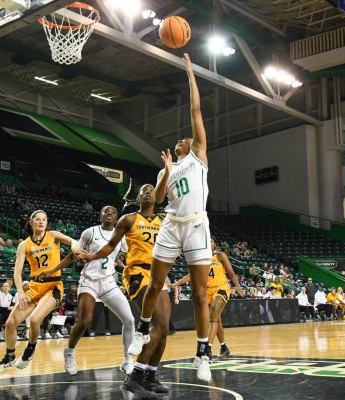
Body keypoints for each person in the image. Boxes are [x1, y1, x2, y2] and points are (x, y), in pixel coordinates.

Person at [135, 53, 212, 383]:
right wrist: (165, 172)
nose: (185, 137)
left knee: (199, 294)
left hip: (196, 224)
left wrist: (191, 74)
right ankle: (142, 326)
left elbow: (195, 110)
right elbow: (161, 197)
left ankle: (203, 353)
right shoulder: (167, 167)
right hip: (170, 225)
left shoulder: (199, 155)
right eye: (182, 138)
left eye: (188, 137)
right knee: (155, 284)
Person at [79, 184, 170, 396]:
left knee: (164, 329)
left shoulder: (164, 220)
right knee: (156, 325)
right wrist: (91, 256)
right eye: (143, 190)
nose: (147, 191)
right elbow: (111, 246)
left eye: (151, 190)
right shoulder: (128, 219)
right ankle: (135, 376)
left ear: (157, 197)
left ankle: (150, 375)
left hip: (159, 274)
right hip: (138, 272)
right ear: (137, 198)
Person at [39, 205, 137, 376]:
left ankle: (128, 360)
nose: (109, 213)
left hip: (108, 282)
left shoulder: (121, 238)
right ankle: (69, 353)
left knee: (129, 320)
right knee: (84, 321)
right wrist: (53, 270)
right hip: (89, 281)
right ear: (100, 215)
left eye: (113, 212)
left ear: (117, 219)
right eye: (105, 211)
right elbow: (73, 255)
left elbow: (125, 257)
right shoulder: (89, 233)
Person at [0, 210, 78, 373]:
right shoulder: (25, 245)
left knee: (36, 320)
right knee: (10, 323)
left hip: (53, 286)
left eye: (44, 219)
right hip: (34, 287)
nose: (41, 221)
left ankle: (30, 349)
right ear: (31, 222)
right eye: (37, 219)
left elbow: (74, 242)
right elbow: (17, 272)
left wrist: (73, 245)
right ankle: (9, 357)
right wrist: (21, 294)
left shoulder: (53, 235)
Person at [170, 236, 242, 360]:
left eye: (211, 241)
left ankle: (207, 348)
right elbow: (191, 275)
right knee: (216, 319)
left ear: (215, 244)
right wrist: (177, 283)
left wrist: (238, 286)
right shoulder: (201, 259)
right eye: (206, 240)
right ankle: (224, 347)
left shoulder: (220, 256)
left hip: (221, 288)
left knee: (213, 317)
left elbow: (231, 272)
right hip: (207, 291)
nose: (209, 242)